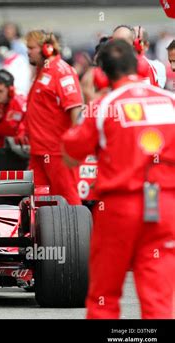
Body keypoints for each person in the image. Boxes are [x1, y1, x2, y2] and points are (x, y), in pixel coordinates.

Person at [62, 39, 175, 319]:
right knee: (158, 298)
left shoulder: (103, 107)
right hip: (163, 205)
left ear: (101, 74)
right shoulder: (170, 101)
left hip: (119, 208)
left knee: (104, 296)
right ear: (137, 64)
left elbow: (70, 155)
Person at [25, 30, 82, 205]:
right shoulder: (42, 71)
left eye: (31, 48)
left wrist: (74, 145)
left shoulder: (61, 71)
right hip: (39, 151)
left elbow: (75, 108)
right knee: (38, 201)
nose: (28, 51)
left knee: (68, 198)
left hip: (57, 152)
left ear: (46, 49)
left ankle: (78, 232)